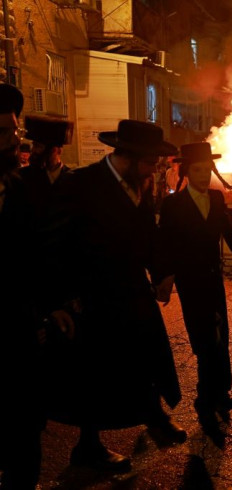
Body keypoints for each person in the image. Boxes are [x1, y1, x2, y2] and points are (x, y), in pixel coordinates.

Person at [41, 120, 186, 473]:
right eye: (152, 161)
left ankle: (153, 414)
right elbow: (55, 244)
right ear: (129, 157)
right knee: (97, 375)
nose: (156, 168)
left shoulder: (141, 183)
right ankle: (88, 449)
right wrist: (60, 300)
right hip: (95, 298)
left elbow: (147, 233)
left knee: (148, 356)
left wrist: (162, 272)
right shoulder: (81, 185)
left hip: (133, 290)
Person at [156, 142, 232, 435]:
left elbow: (227, 232)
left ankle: (220, 394)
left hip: (213, 279)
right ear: (186, 171)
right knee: (204, 341)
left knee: (222, 337)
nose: (202, 174)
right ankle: (204, 399)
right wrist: (164, 277)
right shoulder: (173, 204)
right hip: (190, 282)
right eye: (196, 169)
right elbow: (164, 244)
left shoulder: (217, 197)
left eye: (206, 168)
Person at [0, 83, 50, 490]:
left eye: (12, 133)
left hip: (17, 342)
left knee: (23, 446)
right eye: (2, 134)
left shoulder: (22, 189)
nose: (12, 143)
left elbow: (36, 257)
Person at [19, 115, 74, 225]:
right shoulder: (21, 178)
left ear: (55, 151)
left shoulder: (73, 180)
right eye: (33, 146)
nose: (33, 151)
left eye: (38, 146)